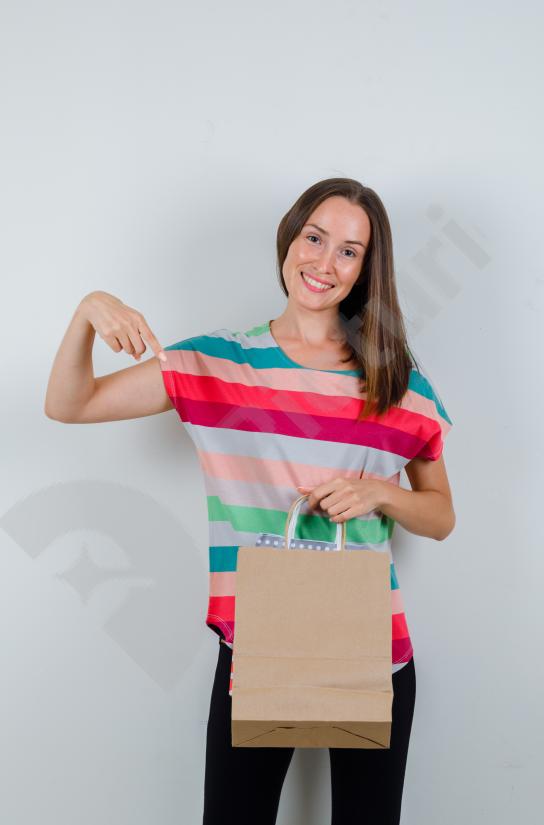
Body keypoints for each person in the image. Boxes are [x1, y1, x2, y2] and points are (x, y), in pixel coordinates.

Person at [44, 177, 455, 825]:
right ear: (289, 238)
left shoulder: (392, 379)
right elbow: (69, 404)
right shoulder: (217, 363)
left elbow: (441, 514)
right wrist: (90, 309)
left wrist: (379, 491)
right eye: (315, 237)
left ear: (365, 270)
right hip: (261, 639)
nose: (325, 261)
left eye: (349, 251)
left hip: (373, 645)